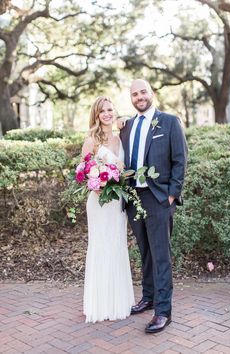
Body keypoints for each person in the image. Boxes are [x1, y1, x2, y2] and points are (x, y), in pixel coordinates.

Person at [119, 79, 188, 333]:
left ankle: (163, 311)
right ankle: (148, 298)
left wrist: (172, 195)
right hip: (133, 197)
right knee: (145, 251)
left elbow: (180, 159)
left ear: (152, 93)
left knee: (161, 256)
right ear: (131, 98)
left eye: (143, 92)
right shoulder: (126, 126)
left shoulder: (169, 122)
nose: (139, 97)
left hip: (158, 198)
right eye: (134, 93)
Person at [82, 96, 135, 323]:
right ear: (96, 115)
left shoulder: (122, 136)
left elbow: (126, 169)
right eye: (102, 110)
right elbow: (84, 172)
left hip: (117, 204)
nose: (107, 114)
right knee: (100, 246)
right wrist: (98, 183)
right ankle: (99, 303)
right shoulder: (91, 140)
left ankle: (119, 301)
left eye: (110, 110)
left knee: (116, 245)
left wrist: (120, 175)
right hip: (99, 202)